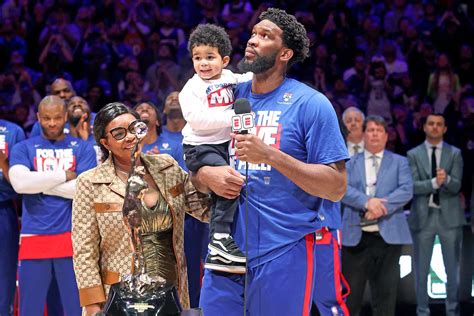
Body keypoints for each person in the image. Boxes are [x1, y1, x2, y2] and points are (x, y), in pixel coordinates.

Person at [197, 8, 348, 315]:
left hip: (283, 248)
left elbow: (336, 187)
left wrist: (270, 155)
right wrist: (205, 175)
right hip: (225, 248)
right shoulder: (226, 95)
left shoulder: (311, 104)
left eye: (265, 36)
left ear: (285, 53)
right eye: (253, 33)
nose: (252, 40)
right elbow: (195, 159)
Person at [71, 102, 210, 315]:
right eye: (119, 133)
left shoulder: (167, 167)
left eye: (135, 128)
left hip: (172, 291)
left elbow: (203, 208)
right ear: (105, 142)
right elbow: (84, 250)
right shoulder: (90, 182)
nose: (130, 137)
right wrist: (91, 304)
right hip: (119, 296)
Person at [8, 95, 97, 316]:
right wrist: (63, 175)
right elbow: (19, 183)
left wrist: (37, 182)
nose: (52, 123)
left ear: (65, 116)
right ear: (38, 117)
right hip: (33, 237)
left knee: (74, 309)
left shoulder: (82, 148)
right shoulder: (23, 147)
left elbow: (84, 190)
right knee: (30, 310)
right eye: (46, 118)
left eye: (57, 118)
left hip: (73, 239)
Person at [179, 23, 252, 274]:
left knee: (228, 188)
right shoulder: (191, 88)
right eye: (197, 58)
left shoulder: (230, 78)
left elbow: (249, 78)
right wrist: (233, 117)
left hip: (223, 145)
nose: (204, 64)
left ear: (224, 60)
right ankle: (219, 239)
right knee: (227, 181)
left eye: (210, 57)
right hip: (199, 146)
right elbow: (197, 120)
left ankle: (221, 239)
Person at [341, 115, 413, 316]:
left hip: (388, 238)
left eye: (378, 130)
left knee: (385, 297)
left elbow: (407, 190)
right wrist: (367, 202)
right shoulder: (349, 162)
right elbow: (342, 188)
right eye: (370, 130)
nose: (374, 134)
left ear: (386, 136)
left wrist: (381, 207)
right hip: (355, 238)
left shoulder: (400, 162)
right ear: (364, 135)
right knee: (351, 298)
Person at [407, 113, 465, 316]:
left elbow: (457, 186)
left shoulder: (455, 153)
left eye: (439, 124)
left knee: (452, 269)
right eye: (431, 123)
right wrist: (433, 183)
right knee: (421, 270)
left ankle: (452, 311)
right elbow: (411, 186)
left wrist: (446, 179)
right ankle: (422, 311)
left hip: (450, 218)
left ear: (445, 129)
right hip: (423, 217)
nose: (434, 127)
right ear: (424, 127)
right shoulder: (413, 154)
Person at [0, 118, 25, 316]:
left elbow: (19, 184)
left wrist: (3, 162)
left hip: (4, 208)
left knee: (5, 273)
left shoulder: (13, 131)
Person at [133, 100, 185, 167]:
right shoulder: (129, 147)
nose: (144, 109)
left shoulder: (176, 146)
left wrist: (161, 165)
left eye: (149, 108)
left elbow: (184, 176)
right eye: (140, 108)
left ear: (157, 121)